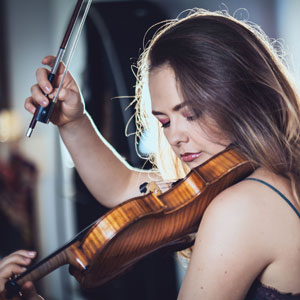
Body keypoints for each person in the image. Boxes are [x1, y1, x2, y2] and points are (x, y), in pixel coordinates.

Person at [23, 8, 300, 299]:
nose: (175, 138)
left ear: (241, 98)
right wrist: (73, 121)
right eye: (165, 122)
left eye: (192, 114)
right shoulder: (269, 176)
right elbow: (121, 185)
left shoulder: (241, 208)